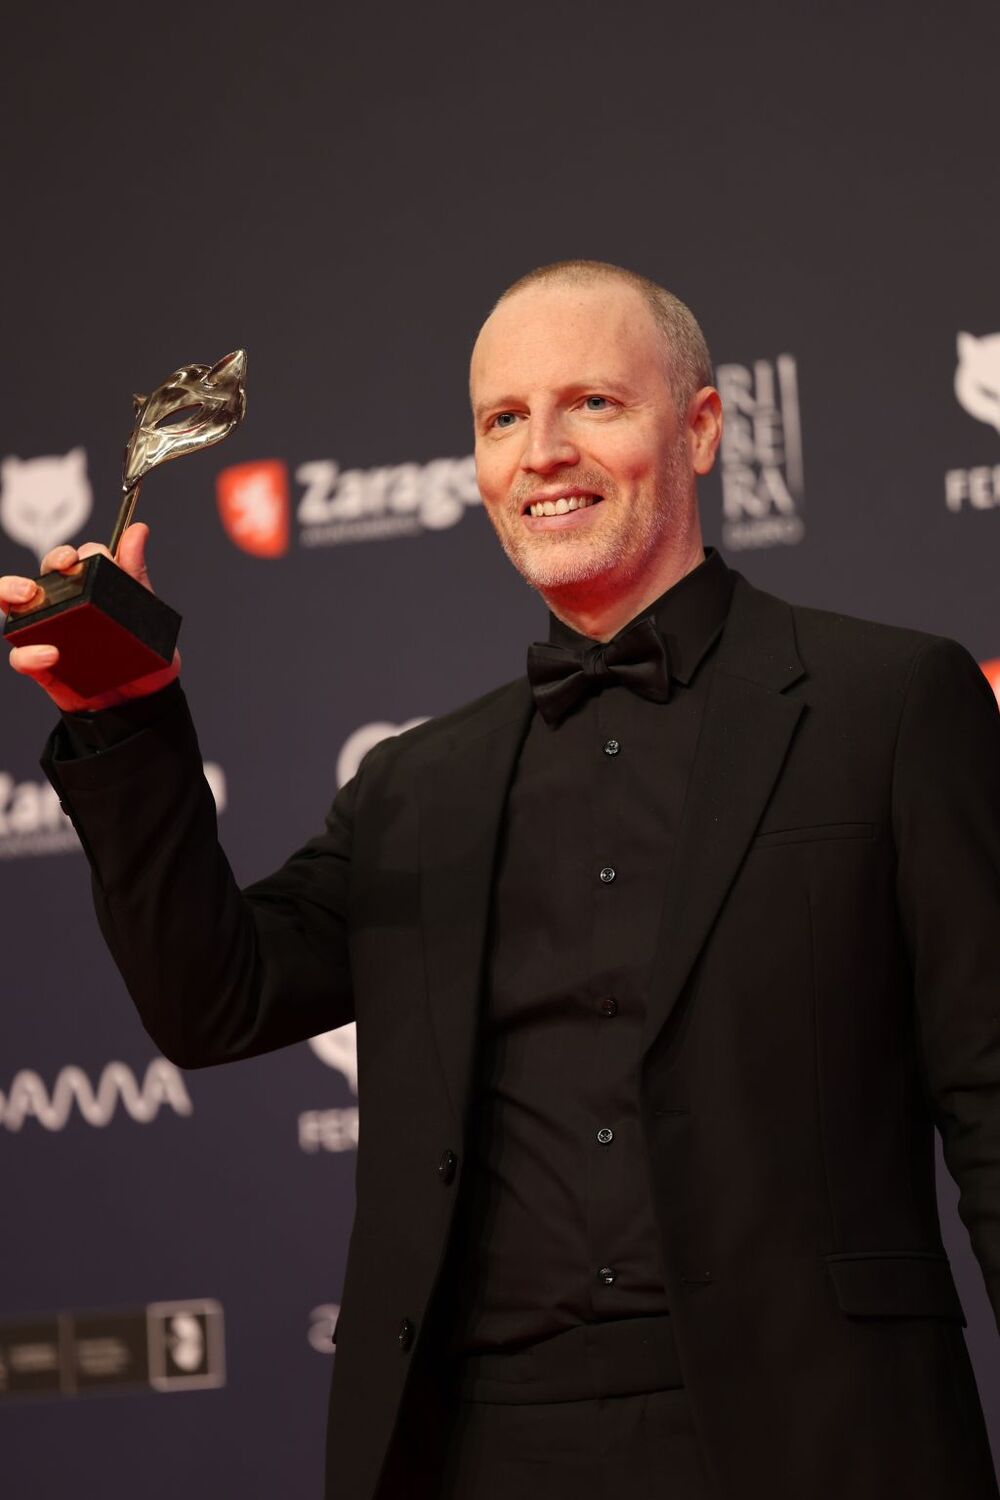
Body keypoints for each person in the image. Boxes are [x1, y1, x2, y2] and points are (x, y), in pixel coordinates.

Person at [2, 260, 998, 1500]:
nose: (543, 452)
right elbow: (218, 1001)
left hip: (818, 1437)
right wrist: (127, 724)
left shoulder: (888, 704)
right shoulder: (418, 784)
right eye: (502, 419)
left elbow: (991, 1093)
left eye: (593, 404)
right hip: (479, 1450)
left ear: (697, 428)